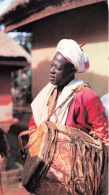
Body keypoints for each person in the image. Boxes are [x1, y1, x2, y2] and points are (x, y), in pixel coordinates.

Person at [21, 39, 108, 194]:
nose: (52, 71)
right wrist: (30, 147)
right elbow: (35, 125)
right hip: (43, 170)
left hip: (73, 175)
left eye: (58, 68)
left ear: (70, 71)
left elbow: (103, 135)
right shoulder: (46, 94)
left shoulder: (86, 95)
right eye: (52, 66)